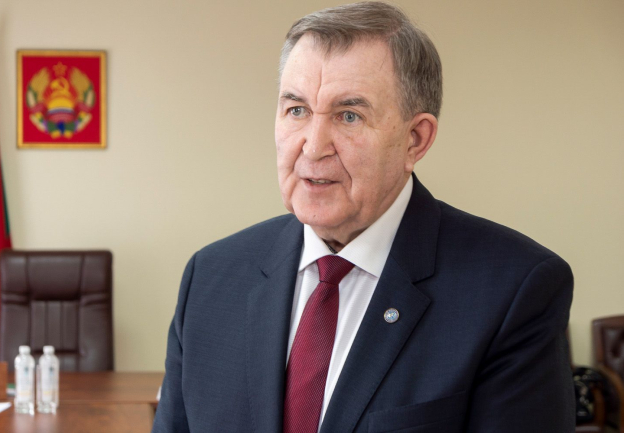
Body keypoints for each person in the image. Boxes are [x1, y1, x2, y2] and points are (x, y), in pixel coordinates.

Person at [152, 2, 574, 432]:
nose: (313, 146)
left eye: (349, 116)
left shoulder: (514, 290)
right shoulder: (209, 277)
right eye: (297, 110)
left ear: (415, 139)